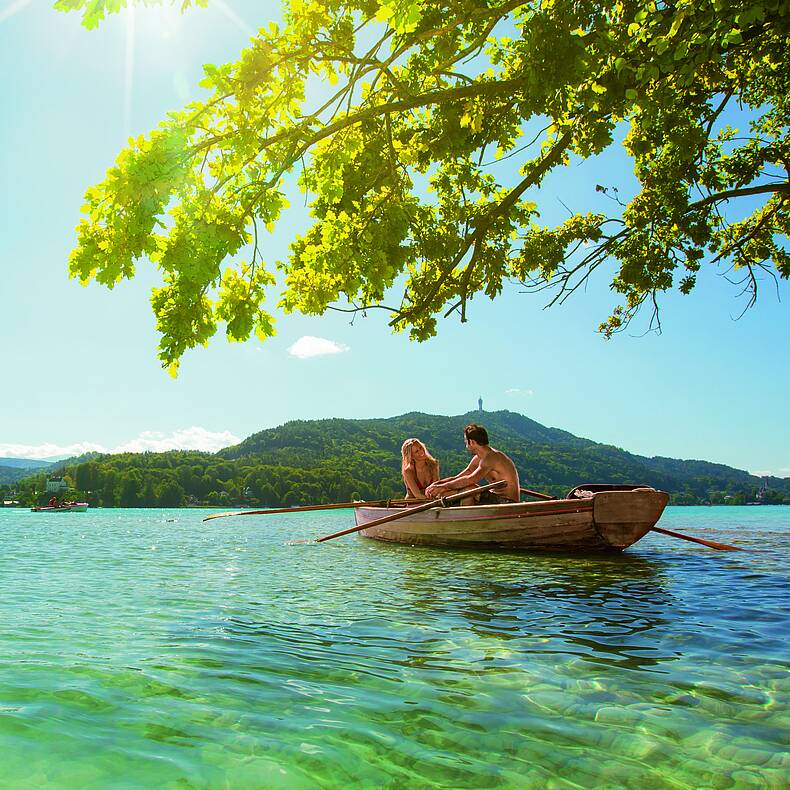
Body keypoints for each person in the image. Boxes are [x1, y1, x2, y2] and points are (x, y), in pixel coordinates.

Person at [425, 424, 520, 504]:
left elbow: (471, 480)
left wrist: (443, 487)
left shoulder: (491, 457)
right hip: (493, 497)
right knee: (446, 494)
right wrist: (437, 484)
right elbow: (458, 478)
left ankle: (466, 522)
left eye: (466, 442)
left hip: (507, 502)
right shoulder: (478, 459)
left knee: (468, 489)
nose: (466, 446)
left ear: (472, 442)